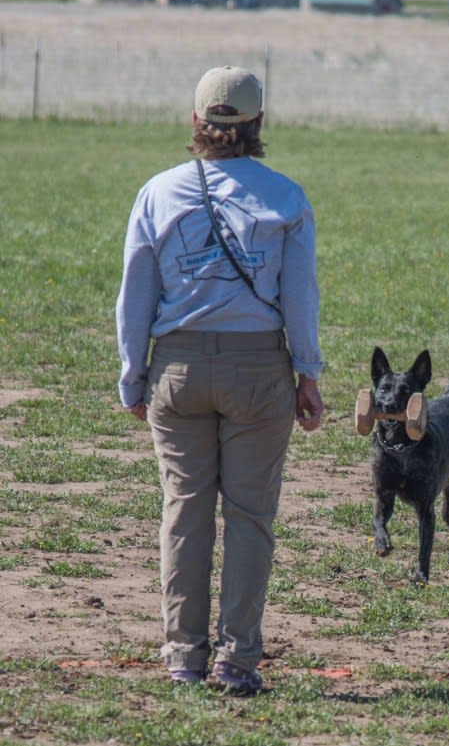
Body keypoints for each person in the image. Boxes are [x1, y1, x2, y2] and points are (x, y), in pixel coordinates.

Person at [116, 65, 323, 694]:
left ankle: (184, 655)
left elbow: (135, 295)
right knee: (250, 516)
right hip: (260, 371)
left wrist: (134, 375)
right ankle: (237, 659)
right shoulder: (286, 197)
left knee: (184, 514)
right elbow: (299, 298)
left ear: (197, 122)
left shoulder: (158, 192)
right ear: (258, 123)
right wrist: (307, 373)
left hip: (177, 372)